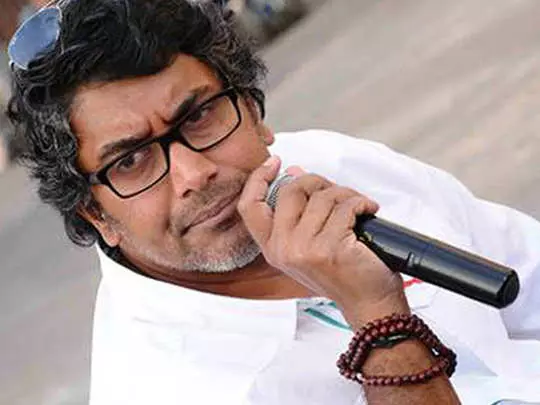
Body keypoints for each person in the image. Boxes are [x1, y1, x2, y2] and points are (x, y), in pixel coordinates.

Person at [6, 0, 540, 404]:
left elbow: (528, 277)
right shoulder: (165, 388)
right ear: (96, 214)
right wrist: (381, 324)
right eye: (131, 161)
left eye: (199, 116)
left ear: (253, 111)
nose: (194, 173)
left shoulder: (327, 162)